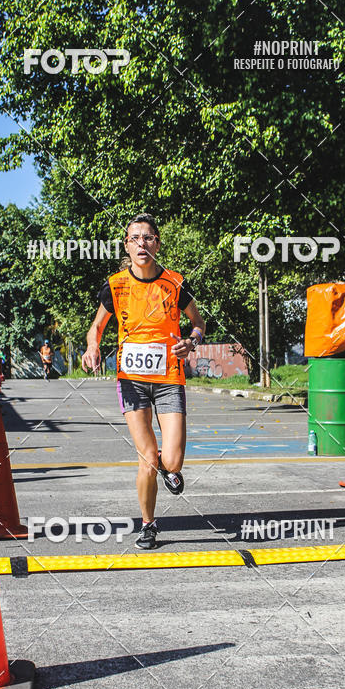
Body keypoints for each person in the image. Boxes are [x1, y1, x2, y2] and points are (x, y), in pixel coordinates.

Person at [81, 213, 206, 550]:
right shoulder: (115, 285)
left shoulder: (175, 283)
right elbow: (96, 328)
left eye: (148, 237)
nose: (141, 244)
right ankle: (148, 525)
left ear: (157, 244)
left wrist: (191, 341)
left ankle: (169, 470)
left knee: (172, 461)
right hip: (132, 381)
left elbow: (198, 323)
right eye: (134, 238)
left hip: (169, 379)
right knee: (148, 457)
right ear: (127, 246)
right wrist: (93, 346)